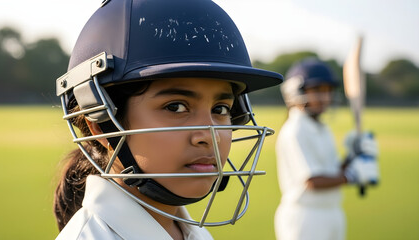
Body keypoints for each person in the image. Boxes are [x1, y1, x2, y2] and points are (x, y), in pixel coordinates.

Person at [53, 0, 283, 239]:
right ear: (102, 125)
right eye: (176, 107)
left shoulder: (195, 233)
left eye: (221, 108)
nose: (209, 135)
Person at [274, 58, 379, 240]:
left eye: (328, 91)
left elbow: (332, 172)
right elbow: (312, 181)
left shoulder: (322, 128)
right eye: (317, 90)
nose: (325, 97)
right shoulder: (295, 130)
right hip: (306, 217)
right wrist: (351, 177)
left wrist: (353, 157)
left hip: (332, 212)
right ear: (296, 91)